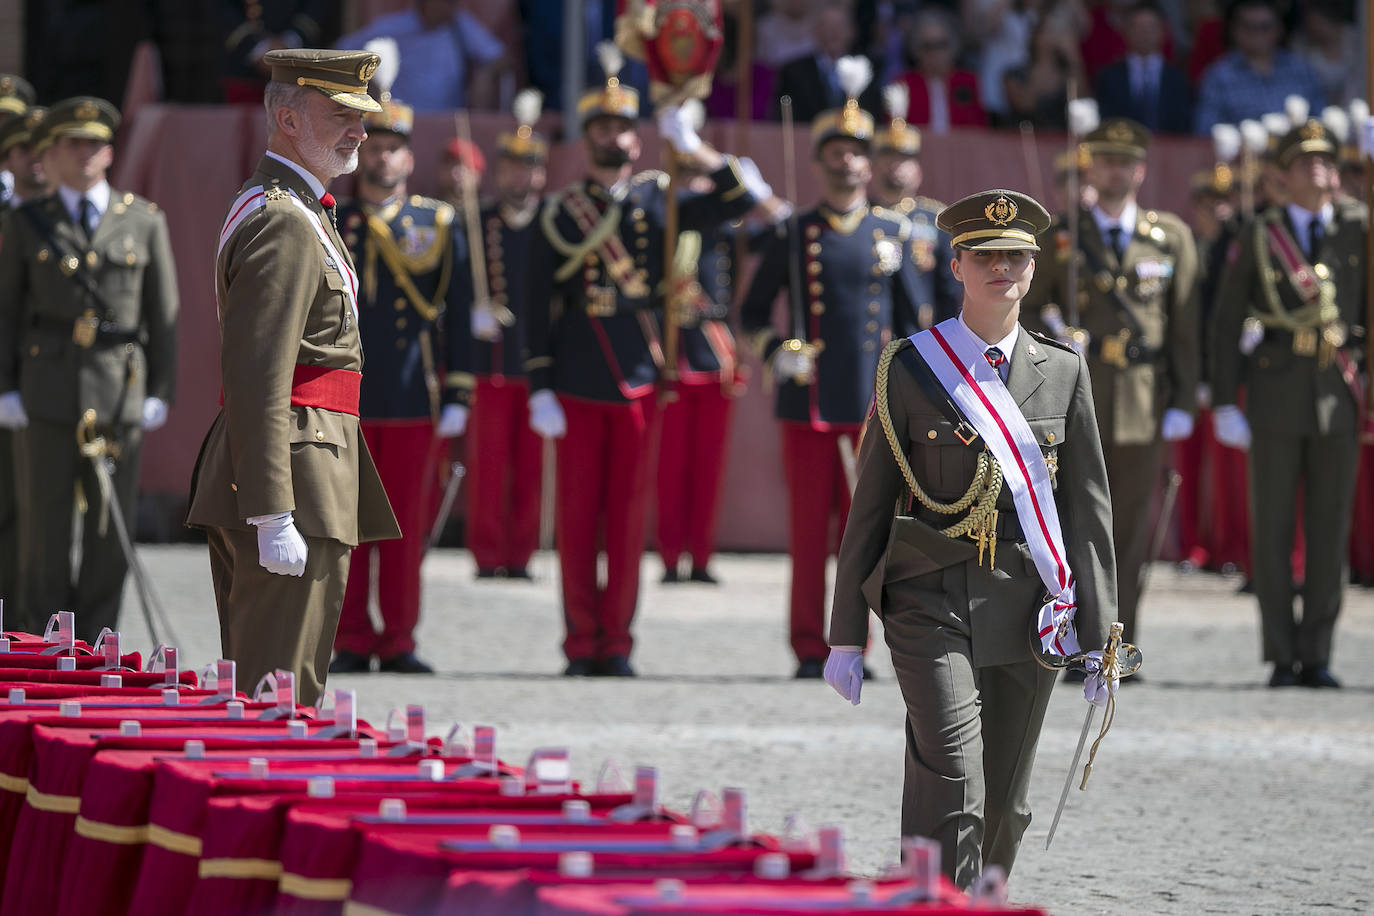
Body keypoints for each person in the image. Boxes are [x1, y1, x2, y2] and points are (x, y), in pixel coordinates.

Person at [824, 189, 1116, 889]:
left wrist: (1101, 637)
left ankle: (972, 901)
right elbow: (871, 504)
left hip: (1031, 608)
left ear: (1033, 267)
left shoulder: (1065, 370)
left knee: (1006, 805)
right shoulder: (911, 365)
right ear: (955, 264)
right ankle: (935, 905)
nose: (1000, 268)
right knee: (953, 779)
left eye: (1015, 255)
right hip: (929, 596)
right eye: (984, 255)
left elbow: (1088, 512)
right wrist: (843, 634)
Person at [525, 43, 762, 677]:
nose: (613, 137)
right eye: (602, 127)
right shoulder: (559, 212)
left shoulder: (666, 200)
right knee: (577, 524)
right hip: (576, 380)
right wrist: (538, 385)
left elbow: (744, 200)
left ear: (639, 138)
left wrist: (698, 145)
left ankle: (618, 643)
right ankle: (580, 643)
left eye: (624, 127)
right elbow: (535, 304)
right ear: (587, 137)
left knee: (629, 524)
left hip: (638, 379)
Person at [186, 49, 400, 706]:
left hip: (306, 463)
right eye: (340, 115)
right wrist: (271, 507)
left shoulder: (299, 209)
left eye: (361, 117)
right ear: (285, 118)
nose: (359, 131)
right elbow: (258, 372)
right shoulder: (283, 217)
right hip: (295, 471)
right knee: (277, 697)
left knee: (281, 689)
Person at [739, 65, 931, 679]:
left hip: (873, 408)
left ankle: (853, 644)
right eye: (836, 153)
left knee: (867, 538)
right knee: (805, 536)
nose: (847, 162)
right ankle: (805, 643)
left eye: (856, 153)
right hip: (809, 400)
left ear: (869, 165)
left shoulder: (891, 233)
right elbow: (747, 312)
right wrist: (775, 351)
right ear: (820, 162)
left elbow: (914, 326)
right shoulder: (794, 232)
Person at [0, 98, 179, 640]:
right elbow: (8, 311)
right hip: (47, 390)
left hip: (119, 388)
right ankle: (43, 644)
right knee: (44, 529)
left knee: (109, 530)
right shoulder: (27, 223)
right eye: (73, 144)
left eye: (95, 144)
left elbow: (162, 314)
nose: (85, 154)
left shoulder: (144, 220)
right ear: (52, 154)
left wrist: (161, 390)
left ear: (110, 152)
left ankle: (100, 648)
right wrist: (6, 387)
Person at [1021, 119, 1199, 650]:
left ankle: (1120, 641)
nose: (1115, 170)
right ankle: (1076, 634)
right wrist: (1053, 340)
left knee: (1130, 529)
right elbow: (1027, 307)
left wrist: (1186, 399)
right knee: (1074, 522)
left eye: (1126, 161)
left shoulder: (1169, 237)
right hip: (1077, 400)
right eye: (1105, 160)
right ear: (1089, 168)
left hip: (1144, 403)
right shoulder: (1061, 234)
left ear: (1141, 170)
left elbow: (1185, 326)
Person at [1209, 117, 1365, 689]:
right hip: (1274, 397)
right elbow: (1227, 322)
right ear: (1282, 175)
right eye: (1304, 163)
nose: (1318, 171)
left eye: (1326, 162)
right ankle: (1280, 651)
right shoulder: (1260, 232)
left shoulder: (1358, 228)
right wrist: (1224, 399)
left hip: (1337, 396)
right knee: (1272, 530)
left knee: (1330, 530)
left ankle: (1318, 651)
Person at [328, 92, 473, 675]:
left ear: (410, 160)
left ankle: (401, 638)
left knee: (405, 526)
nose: (384, 159)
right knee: (346, 522)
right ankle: (353, 638)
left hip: (414, 393)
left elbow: (458, 313)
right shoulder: (333, 217)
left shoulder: (434, 222)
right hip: (347, 393)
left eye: (394, 149)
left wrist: (459, 392)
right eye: (375, 147)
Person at [466, 89, 548, 580]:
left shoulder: (552, 225)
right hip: (491, 363)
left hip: (536, 365)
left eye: (530, 167)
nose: (522, 176)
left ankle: (521, 554)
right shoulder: (478, 225)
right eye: (513, 167)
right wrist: (475, 313)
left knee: (532, 470)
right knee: (489, 467)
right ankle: (487, 553)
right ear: (499, 173)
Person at [868, 81, 961, 331]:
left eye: (905, 159)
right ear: (872, 167)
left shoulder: (936, 219)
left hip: (920, 332)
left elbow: (949, 287)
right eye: (888, 158)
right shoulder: (862, 216)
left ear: (918, 170)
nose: (896, 166)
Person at [0, 101, 45, 616]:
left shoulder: (68, 215)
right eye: (21, 149)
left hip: (43, 378)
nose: (34, 159)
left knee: (40, 514)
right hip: (12, 375)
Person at [336, 0, 505, 112]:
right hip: (401, 119)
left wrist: (484, 76)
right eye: (448, 2)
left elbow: (499, 57)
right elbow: (342, 50)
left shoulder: (460, 25)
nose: (453, 7)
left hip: (448, 121)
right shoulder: (394, 26)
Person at [1193, 0, 1325, 135]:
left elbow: (1320, 124)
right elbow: (1205, 132)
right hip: (1240, 154)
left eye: (1264, 27)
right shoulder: (1218, 76)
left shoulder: (1301, 71)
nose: (1256, 34)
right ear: (1234, 29)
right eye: (1248, 27)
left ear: (1279, 29)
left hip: (1295, 152)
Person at [1094, 2, 1193, 134]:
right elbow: (1104, 123)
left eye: (1151, 27)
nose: (1145, 33)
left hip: (1169, 150)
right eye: (1138, 27)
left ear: (1163, 32)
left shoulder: (1178, 79)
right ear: (1126, 31)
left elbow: (1185, 126)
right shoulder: (1108, 77)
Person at [773, 7, 880, 124]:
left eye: (840, 26)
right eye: (827, 27)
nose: (834, 32)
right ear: (815, 31)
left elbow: (873, 115)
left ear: (852, 32)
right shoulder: (794, 72)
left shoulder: (868, 69)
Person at [893, 8, 987, 131]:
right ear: (917, 51)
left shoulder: (968, 82)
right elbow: (896, 129)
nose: (935, 53)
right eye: (928, 46)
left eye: (941, 45)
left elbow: (979, 127)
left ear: (953, 47)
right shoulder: (904, 85)